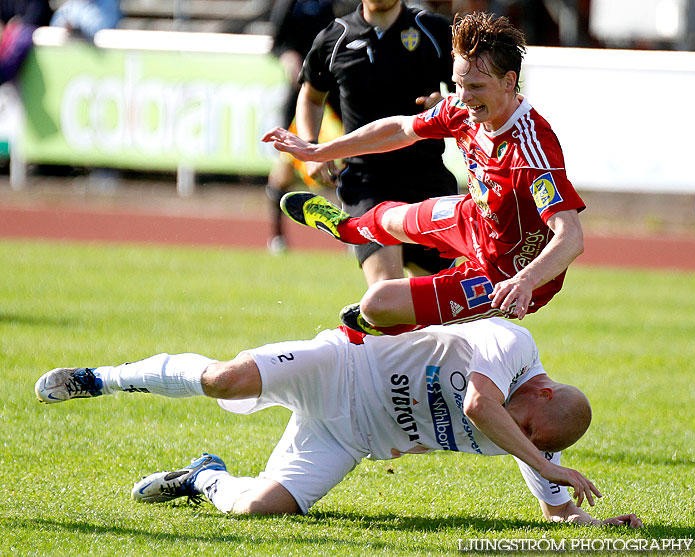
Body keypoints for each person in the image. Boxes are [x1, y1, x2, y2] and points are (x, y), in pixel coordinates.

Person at [35, 318, 640, 527]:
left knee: (258, 509)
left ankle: (202, 478)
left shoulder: (535, 441)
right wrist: (537, 459)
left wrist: (605, 525)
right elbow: (480, 405)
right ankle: (100, 377)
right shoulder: (512, 345)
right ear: (543, 389)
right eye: (533, 431)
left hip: (352, 438)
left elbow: (559, 510)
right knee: (225, 378)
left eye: (537, 445)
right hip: (341, 368)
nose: (526, 443)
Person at [262, 11, 585, 336]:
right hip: (473, 220)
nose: (464, 98)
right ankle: (349, 230)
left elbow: (571, 236)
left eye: (475, 86)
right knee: (388, 221)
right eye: (458, 85)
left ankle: (391, 325)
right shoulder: (464, 109)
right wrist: (318, 150)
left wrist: (525, 280)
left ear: (509, 81)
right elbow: (400, 129)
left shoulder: (532, 151)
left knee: (377, 303)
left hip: (507, 274)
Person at [291, 0, 458, 285]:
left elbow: (472, 94)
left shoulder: (434, 30)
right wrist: (311, 145)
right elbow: (310, 95)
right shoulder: (335, 37)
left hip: (428, 178)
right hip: (366, 182)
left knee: (432, 301)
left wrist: (448, 104)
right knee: (387, 293)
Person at [265, 0, 352, 253]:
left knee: (350, 158)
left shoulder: (336, 4)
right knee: (284, 165)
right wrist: (286, 55)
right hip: (302, 91)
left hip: (335, 90)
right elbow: (276, 42)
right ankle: (277, 237)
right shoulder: (289, 3)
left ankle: (352, 230)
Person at [50, 0, 121, 41]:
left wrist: (75, 27)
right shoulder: (74, 3)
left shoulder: (108, 2)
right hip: (73, 53)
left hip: (102, 56)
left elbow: (99, 30)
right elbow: (55, 23)